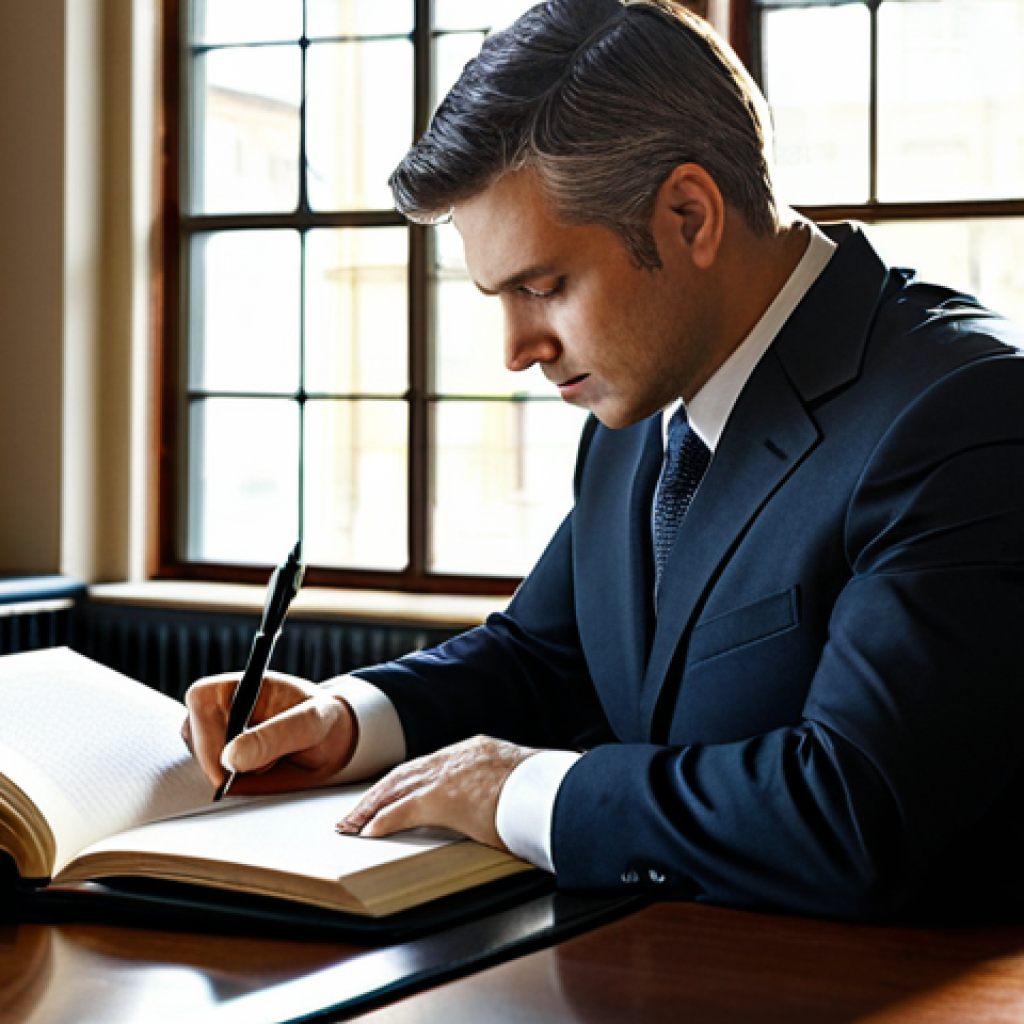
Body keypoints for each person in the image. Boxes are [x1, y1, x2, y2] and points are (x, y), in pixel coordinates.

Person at [183, 0, 1024, 921]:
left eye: (542, 287)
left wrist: (519, 792)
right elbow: (544, 656)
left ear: (689, 215)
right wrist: (351, 721)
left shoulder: (962, 412)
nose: (515, 348)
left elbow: (856, 812)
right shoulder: (643, 403)